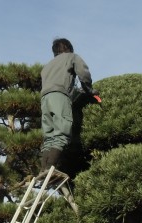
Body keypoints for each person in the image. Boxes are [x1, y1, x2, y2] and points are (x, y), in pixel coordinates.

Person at [39, 38, 97, 172]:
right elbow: (83, 74)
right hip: (60, 96)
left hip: (45, 99)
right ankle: (50, 167)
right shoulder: (72, 57)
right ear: (69, 48)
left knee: (49, 136)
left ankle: (43, 169)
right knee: (62, 132)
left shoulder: (47, 66)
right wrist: (89, 90)